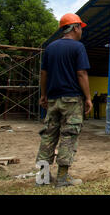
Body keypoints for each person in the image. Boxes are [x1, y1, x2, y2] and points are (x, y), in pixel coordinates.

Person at [36, 13, 92, 188]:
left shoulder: (50, 48)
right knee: (69, 135)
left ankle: (43, 177)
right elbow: (81, 73)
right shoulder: (78, 47)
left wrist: (43, 94)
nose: (81, 31)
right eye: (80, 28)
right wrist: (88, 98)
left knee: (48, 136)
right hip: (72, 100)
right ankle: (62, 178)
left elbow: (44, 73)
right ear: (75, 28)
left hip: (53, 99)